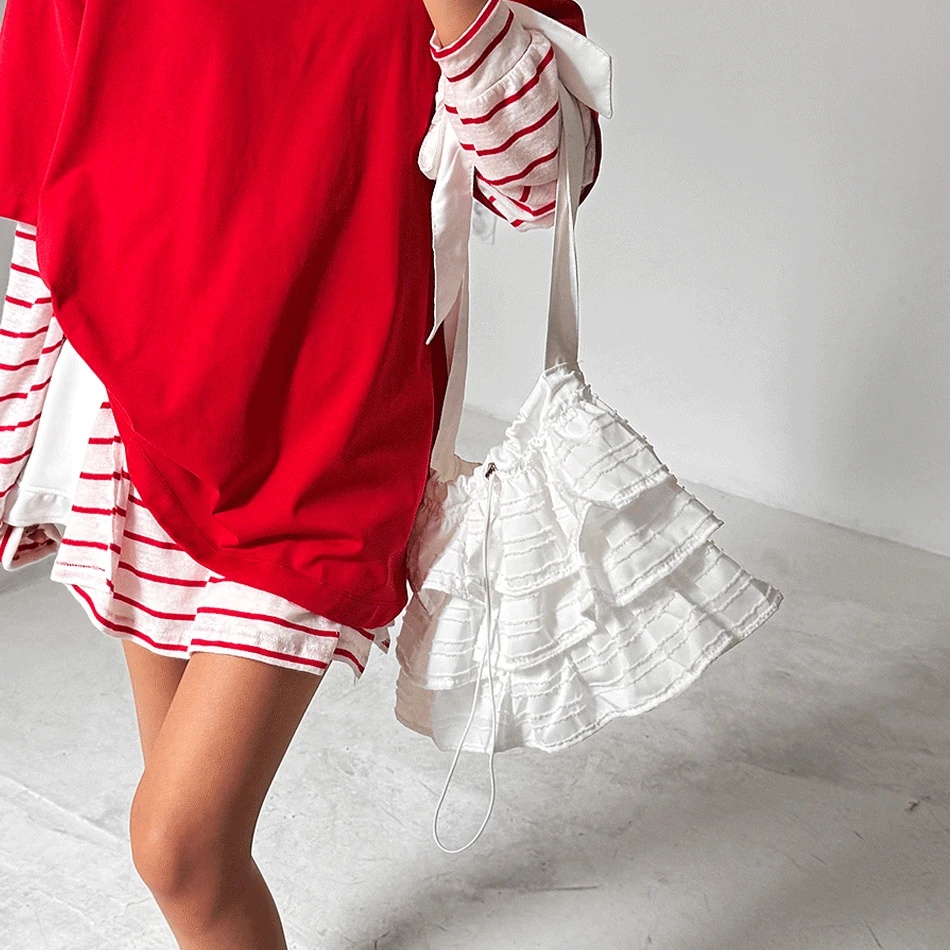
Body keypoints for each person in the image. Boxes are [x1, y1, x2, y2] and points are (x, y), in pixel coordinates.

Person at [0, 0, 603, 945]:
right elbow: (54, 185)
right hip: (140, 415)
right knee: (189, 852)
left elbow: (542, 181)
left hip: (329, 436)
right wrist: (16, 430)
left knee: (179, 846)